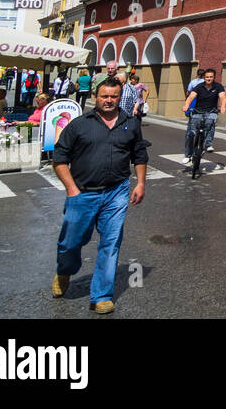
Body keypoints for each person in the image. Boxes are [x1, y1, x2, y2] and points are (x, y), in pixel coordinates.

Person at [50, 76, 148, 314]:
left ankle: (101, 296)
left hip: (116, 192)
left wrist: (141, 183)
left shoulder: (130, 123)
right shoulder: (79, 124)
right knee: (71, 242)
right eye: (104, 96)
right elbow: (59, 159)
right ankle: (65, 270)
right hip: (82, 193)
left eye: (114, 96)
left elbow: (140, 154)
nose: (109, 100)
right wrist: (71, 189)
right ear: (96, 96)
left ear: (120, 96)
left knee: (111, 243)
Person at [181, 67, 226, 164]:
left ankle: (208, 144)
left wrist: (223, 106)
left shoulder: (218, 86)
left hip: (211, 111)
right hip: (198, 111)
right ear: (204, 78)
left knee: (211, 122)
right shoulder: (199, 86)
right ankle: (188, 155)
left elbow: (222, 97)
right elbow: (191, 96)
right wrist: (186, 105)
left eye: (210, 77)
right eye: (207, 77)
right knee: (190, 133)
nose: (208, 79)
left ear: (214, 77)